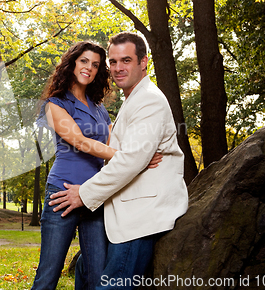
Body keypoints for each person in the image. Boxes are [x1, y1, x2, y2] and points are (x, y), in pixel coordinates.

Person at [49, 32, 189, 289]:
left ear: (143, 62)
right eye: (112, 62)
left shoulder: (148, 100)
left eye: (126, 60)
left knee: (112, 283)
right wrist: (130, 157)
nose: (118, 68)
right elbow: (122, 152)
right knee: (85, 270)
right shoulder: (131, 101)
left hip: (140, 217)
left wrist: (84, 193)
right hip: (122, 212)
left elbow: (130, 161)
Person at [31, 40, 161, 290]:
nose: (89, 68)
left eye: (95, 64)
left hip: (94, 196)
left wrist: (138, 156)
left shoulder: (100, 109)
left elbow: (114, 144)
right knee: (49, 274)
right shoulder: (55, 104)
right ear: (71, 63)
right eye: (84, 61)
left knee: (97, 274)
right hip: (63, 192)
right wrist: (134, 159)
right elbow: (80, 141)